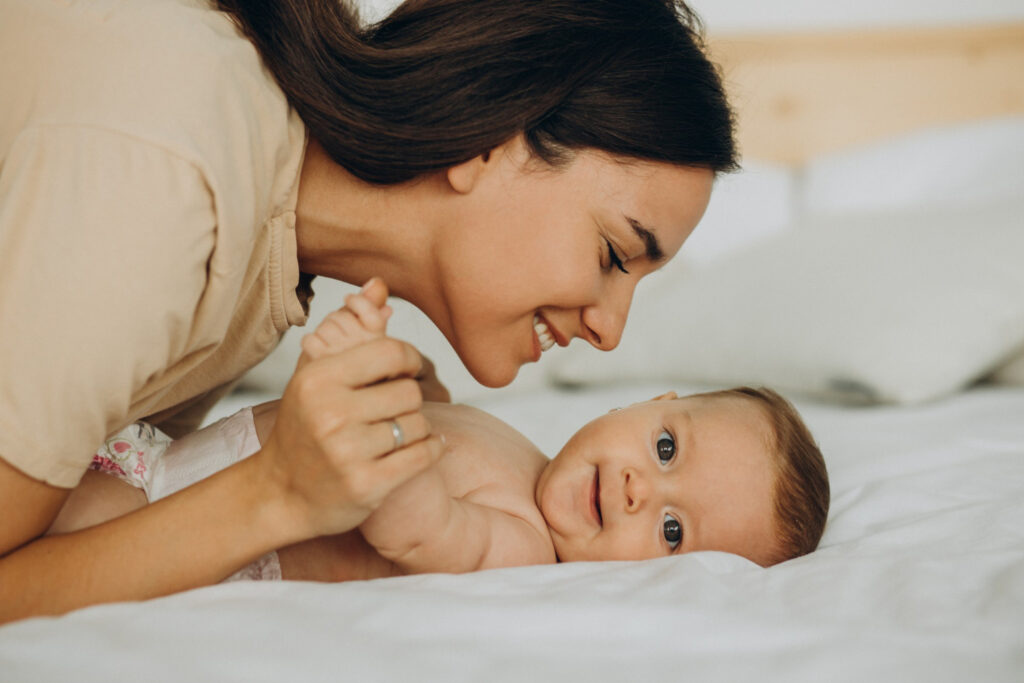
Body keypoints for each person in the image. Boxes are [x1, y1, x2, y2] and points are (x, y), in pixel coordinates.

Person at [0, 0, 737, 621]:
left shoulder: (272, 267)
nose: (611, 332)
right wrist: (278, 490)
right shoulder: (170, 185)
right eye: (614, 254)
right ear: (489, 138)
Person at [49, 287, 830, 579]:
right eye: (665, 449)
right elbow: (449, 433)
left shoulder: (523, 544)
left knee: (45, 538)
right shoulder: (524, 455)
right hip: (161, 462)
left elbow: (418, 525)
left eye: (670, 529)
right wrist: (418, 383)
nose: (638, 487)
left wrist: (371, 394)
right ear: (652, 403)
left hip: (187, 533)